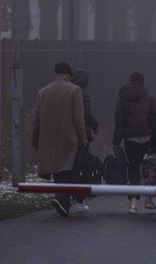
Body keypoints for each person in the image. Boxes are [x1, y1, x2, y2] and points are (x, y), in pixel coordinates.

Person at [32, 62, 88, 217]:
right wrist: (83, 139)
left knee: (57, 169)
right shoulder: (74, 90)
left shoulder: (43, 92)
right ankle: (61, 198)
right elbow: (78, 118)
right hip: (69, 138)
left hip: (48, 139)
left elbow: (36, 119)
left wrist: (35, 139)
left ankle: (61, 201)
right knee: (68, 170)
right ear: (68, 74)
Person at [113, 71, 156, 213]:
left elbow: (119, 122)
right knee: (149, 169)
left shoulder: (122, 100)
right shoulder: (150, 99)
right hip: (147, 138)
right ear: (142, 82)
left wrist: (116, 141)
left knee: (133, 169)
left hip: (130, 139)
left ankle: (133, 203)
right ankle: (149, 200)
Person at [70, 68, 99, 213]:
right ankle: (80, 200)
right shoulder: (83, 93)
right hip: (82, 134)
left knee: (69, 166)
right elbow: (86, 113)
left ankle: (67, 196)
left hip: (68, 134)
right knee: (81, 167)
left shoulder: (70, 90)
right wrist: (95, 125)